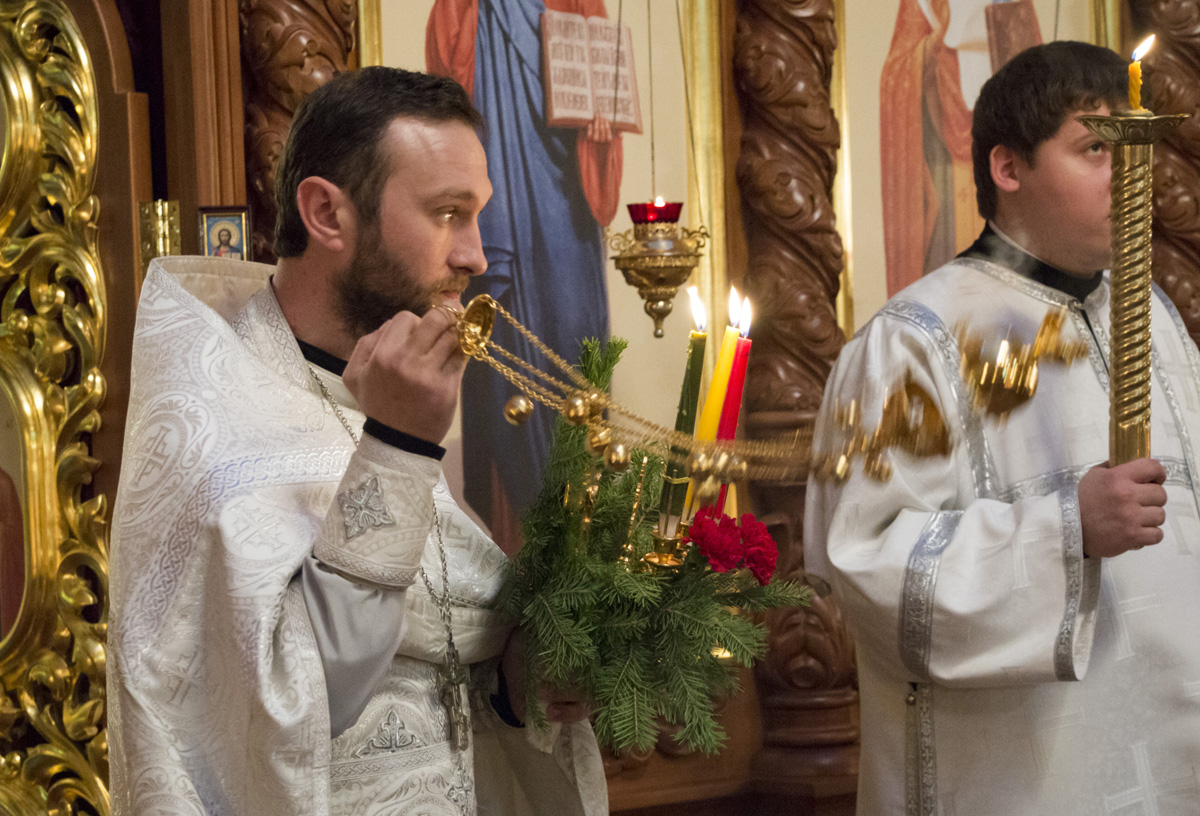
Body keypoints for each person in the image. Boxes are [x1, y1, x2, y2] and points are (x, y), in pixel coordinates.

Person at [108, 67, 607, 816]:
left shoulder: (384, 387)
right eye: (448, 213)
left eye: (477, 215)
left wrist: (515, 686)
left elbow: (438, 652)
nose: (475, 255)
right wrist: (398, 446)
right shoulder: (216, 420)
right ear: (326, 214)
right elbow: (300, 703)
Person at [806, 42, 1200, 815]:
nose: (1130, 175)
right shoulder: (913, 342)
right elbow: (864, 563)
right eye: (1096, 149)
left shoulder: (1153, 315)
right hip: (1020, 781)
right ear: (1008, 168)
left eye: (1136, 150)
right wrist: (1067, 529)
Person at [427, 0, 620, 550]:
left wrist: (600, 128)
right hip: (501, 210)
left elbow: (601, 81)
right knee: (507, 356)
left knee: (575, 346)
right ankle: (521, 546)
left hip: (567, 218)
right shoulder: (468, 6)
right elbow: (445, 90)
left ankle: (584, 539)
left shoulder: (578, 3)